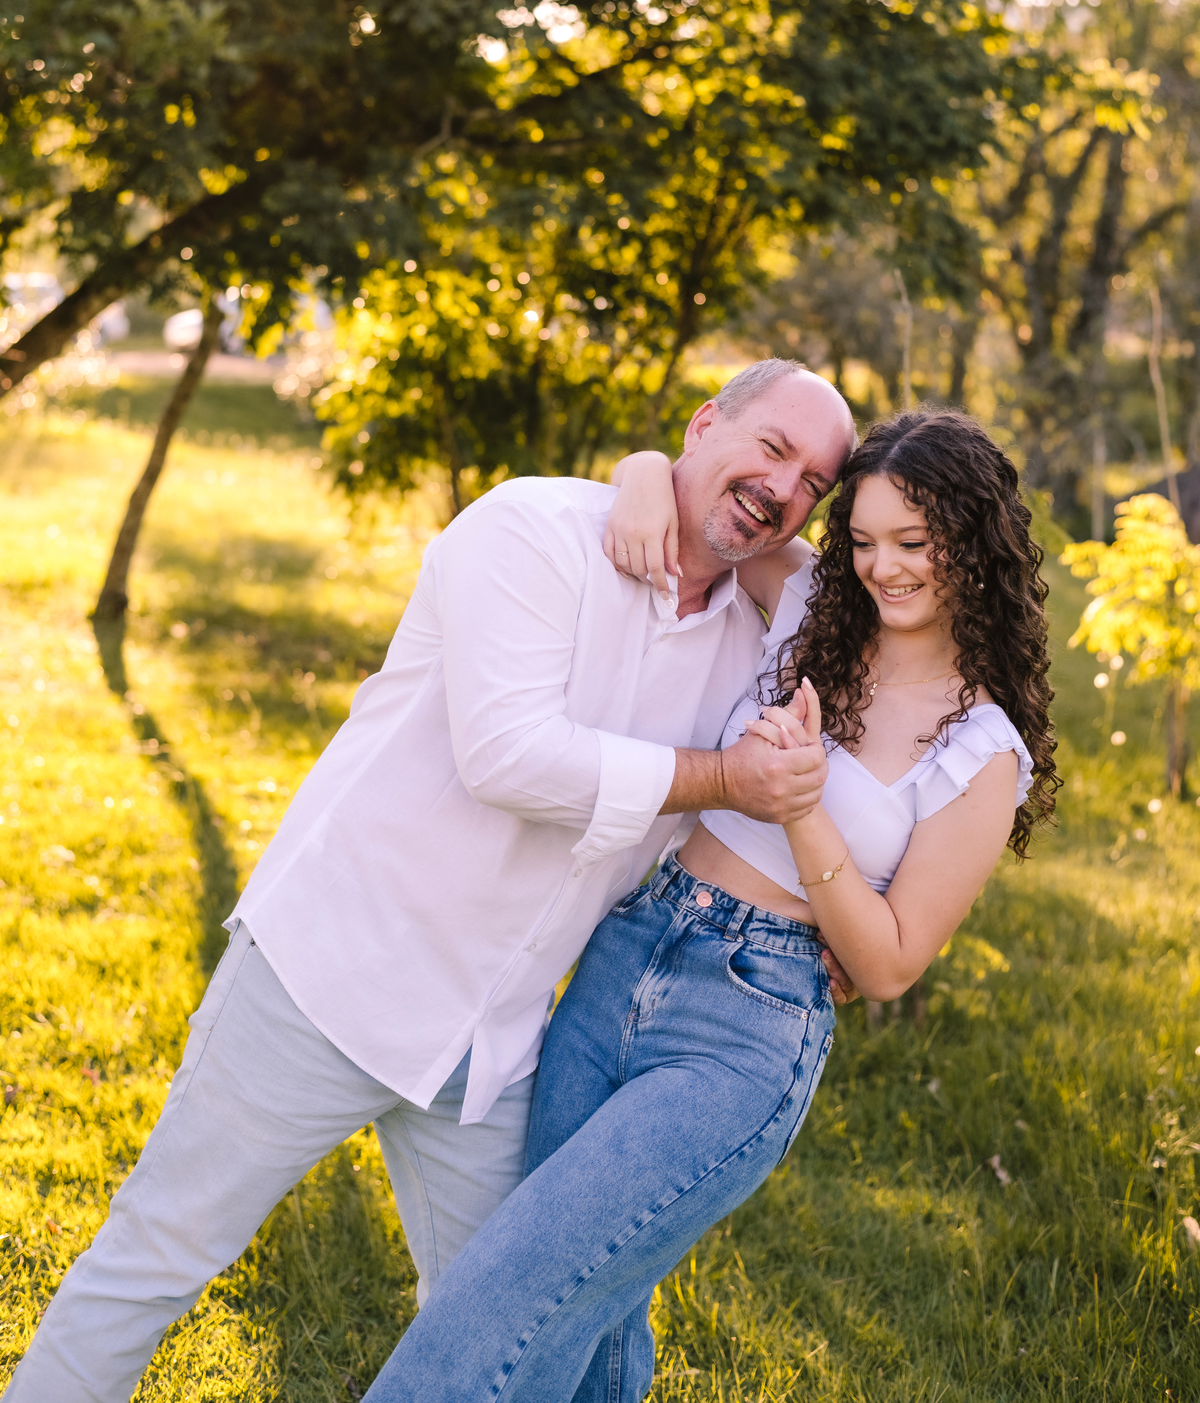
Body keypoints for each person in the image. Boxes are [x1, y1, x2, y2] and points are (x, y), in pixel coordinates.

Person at [4, 359, 857, 1403]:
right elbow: (510, 756)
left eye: (814, 479)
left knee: (509, 1324)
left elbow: (856, 591)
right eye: (771, 447)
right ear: (703, 421)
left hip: (489, 1043)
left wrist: (839, 918)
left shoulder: (753, 635)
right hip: (324, 981)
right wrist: (724, 772)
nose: (784, 486)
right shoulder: (533, 533)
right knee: (155, 1257)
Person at [359, 408, 1060, 1403]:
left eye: (914, 542)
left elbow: (892, 960)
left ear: (975, 542)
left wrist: (803, 805)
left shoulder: (981, 750)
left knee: (511, 1292)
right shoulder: (814, 603)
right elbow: (712, 519)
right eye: (862, 538)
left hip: (746, 1020)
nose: (883, 567)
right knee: (594, 1309)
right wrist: (647, 467)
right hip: (626, 952)